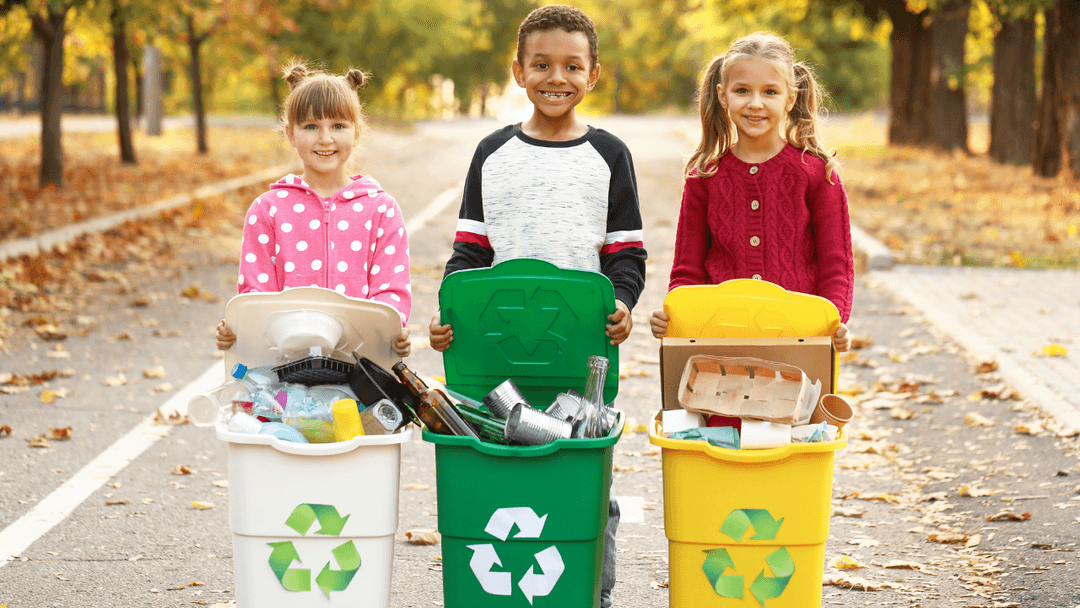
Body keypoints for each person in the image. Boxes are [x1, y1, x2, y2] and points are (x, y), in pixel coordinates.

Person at [427, 6, 646, 607]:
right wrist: (450, 319)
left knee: (583, 482)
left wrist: (622, 304)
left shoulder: (609, 154)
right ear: (518, 71)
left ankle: (589, 594)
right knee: (499, 470)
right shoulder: (493, 152)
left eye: (573, 65)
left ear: (593, 73)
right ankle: (501, 588)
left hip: (578, 358)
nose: (557, 77)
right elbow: (469, 255)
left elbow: (626, 257)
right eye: (542, 64)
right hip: (495, 358)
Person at [649, 32, 853, 352]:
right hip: (720, 340)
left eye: (770, 92)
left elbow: (835, 266)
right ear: (723, 95)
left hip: (799, 341)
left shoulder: (817, 174)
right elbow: (687, 270)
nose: (755, 104)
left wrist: (833, 320)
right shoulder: (704, 176)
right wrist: (676, 315)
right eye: (742, 90)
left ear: (790, 97)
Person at [216, 62, 412, 357]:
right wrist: (238, 330)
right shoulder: (267, 211)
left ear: (357, 131)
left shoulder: (381, 210)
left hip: (361, 366)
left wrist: (392, 332)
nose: (325, 138)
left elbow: (390, 294)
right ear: (290, 134)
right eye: (310, 126)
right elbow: (255, 297)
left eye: (338, 126)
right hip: (283, 366)